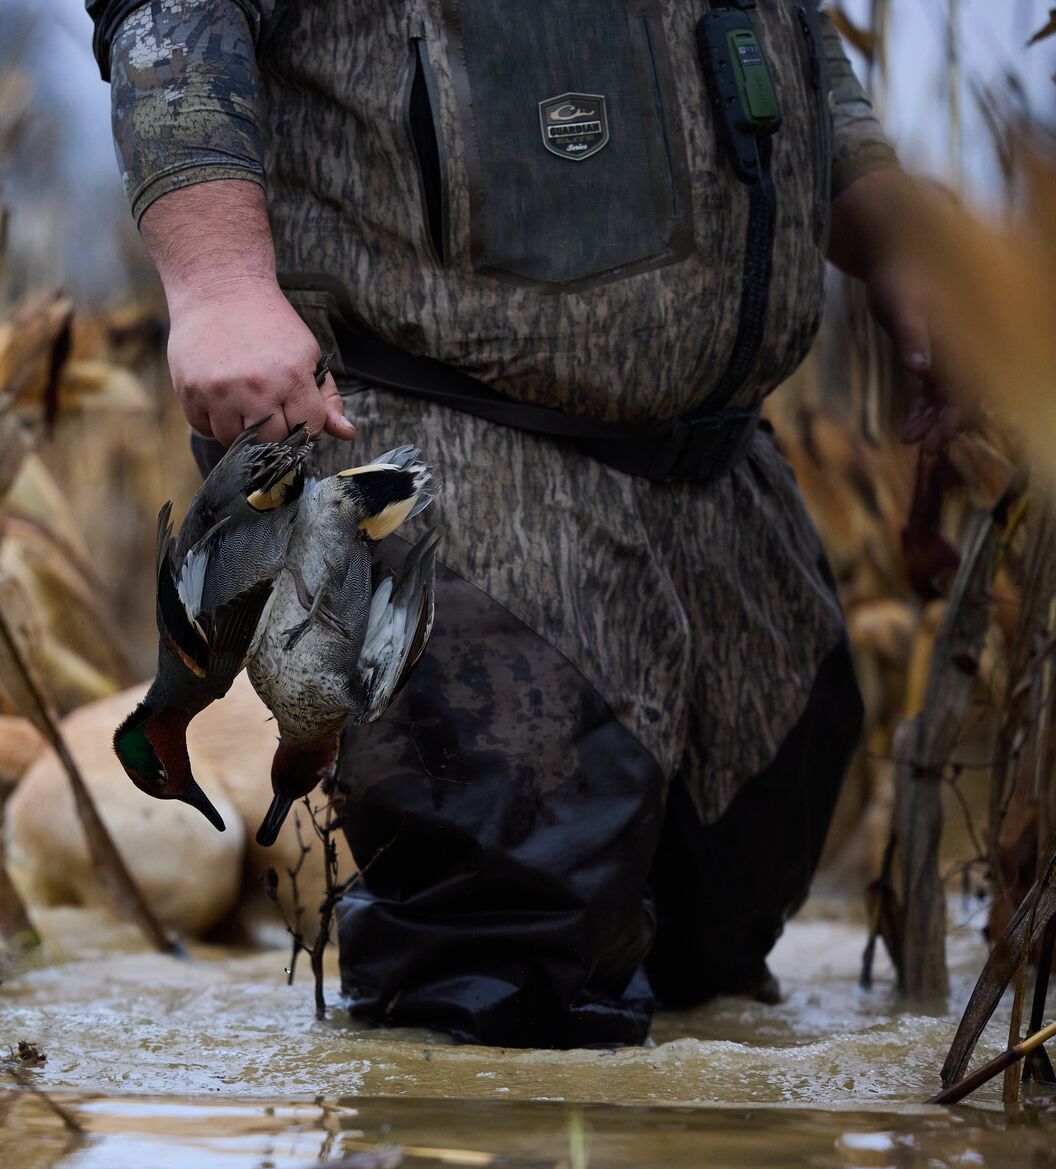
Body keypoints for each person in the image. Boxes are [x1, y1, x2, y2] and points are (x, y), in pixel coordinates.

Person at [87, 0, 942, 1046]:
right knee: (500, 981)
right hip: (438, 436)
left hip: (720, 470)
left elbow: (788, 42)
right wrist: (217, 279)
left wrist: (900, 238)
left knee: (720, 944)